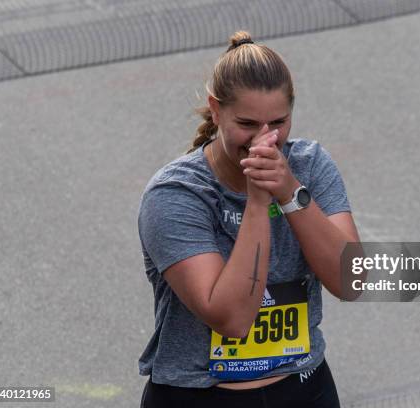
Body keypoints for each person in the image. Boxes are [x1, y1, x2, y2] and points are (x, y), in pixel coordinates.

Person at [137, 30, 360, 408]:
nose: (264, 140)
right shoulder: (175, 195)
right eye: (247, 124)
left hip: (305, 388)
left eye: (278, 123)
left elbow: (352, 280)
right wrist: (257, 202)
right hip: (200, 395)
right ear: (216, 109)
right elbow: (233, 319)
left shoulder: (310, 165)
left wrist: (289, 192)